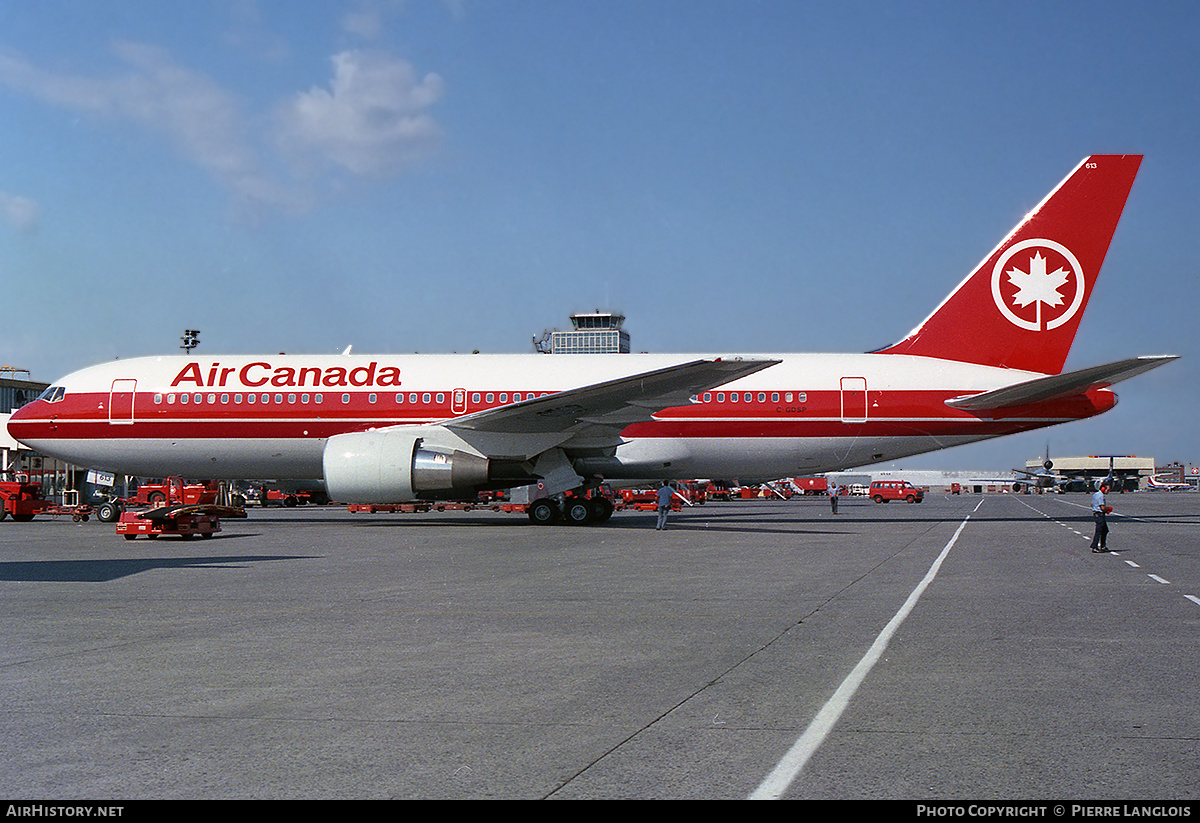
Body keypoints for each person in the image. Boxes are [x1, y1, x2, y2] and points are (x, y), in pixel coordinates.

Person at [1090, 482, 1112, 553]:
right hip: (1099, 515)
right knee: (1099, 531)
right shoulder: (1100, 496)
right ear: (1103, 489)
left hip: (1097, 514)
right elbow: (1102, 507)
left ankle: (1103, 546)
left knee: (1105, 530)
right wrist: (1108, 508)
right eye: (1107, 490)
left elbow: (1092, 504)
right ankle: (1095, 546)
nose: (1108, 492)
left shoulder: (1096, 494)